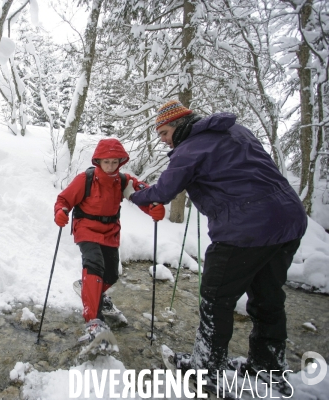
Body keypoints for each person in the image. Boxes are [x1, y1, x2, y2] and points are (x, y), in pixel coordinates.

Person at [129, 100, 308, 391]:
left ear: (179, 125)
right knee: (268, 296)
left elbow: (162, 192)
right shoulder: (237, 131)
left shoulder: (189, 149)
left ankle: (207, 369)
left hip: (245, 229)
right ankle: (269, 367)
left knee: (216, 297)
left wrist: (132, 194)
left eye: (163, 133)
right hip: (288, 219)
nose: (162, 140)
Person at [54, 138, 165, 347]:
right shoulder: (84, 179)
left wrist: (153, 207)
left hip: (110, 231)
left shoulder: (123, 181)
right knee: (94, 264)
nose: (111, 167)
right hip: (86, 227)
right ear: (98, 162)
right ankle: (94, 322)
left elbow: (142, 195)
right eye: (106, 162)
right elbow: (64, 199)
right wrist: (61, 211)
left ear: (120, 162)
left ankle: (91, 291)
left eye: (115, 162)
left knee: (112, 274)